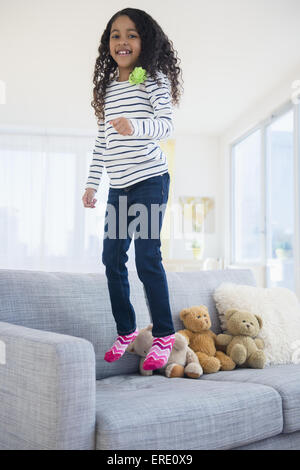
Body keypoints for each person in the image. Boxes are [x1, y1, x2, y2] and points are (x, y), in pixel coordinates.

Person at [82, 8, 183, 371]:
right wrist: (92, 183)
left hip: (150, 180)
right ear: (107, 43)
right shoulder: (108, 88)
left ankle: (165, 335)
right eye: (115, 35)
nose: (122, 41)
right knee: (111, 259)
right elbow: (102, 141)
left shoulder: (149, 79)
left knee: (147, 258)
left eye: (131, 34)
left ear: (146, 41)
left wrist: (135, 127)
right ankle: (126, 329)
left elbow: (166, 126)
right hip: (119, 187)